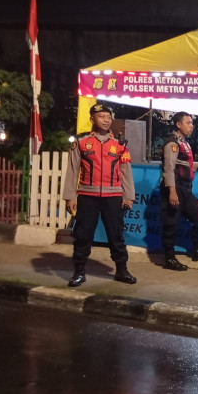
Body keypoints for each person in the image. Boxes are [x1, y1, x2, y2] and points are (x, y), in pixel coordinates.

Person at [62, 103, 137, 287]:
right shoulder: (81, 141)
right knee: (83, 235)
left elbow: (126, 171)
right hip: (87, 196)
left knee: (116, 235)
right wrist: (70, 196)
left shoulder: (120, 144)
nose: (106, 120)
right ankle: (79, 272)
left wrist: (129, 196)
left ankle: (121, 270)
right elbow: (73, 170)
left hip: (113, 197)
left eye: (108, 117)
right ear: (92, 119)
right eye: (101, 116)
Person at [160, 112, 198, 271]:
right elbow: (169, 168)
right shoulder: (172, 143)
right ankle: (169, 259)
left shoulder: (183, 142)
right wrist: (172, 191)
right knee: (171, 224)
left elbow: (185, 164)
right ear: (178, 124)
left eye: (192, 123)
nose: (192, 126)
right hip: (175, 187)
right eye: (188, 123)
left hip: (185, 189)